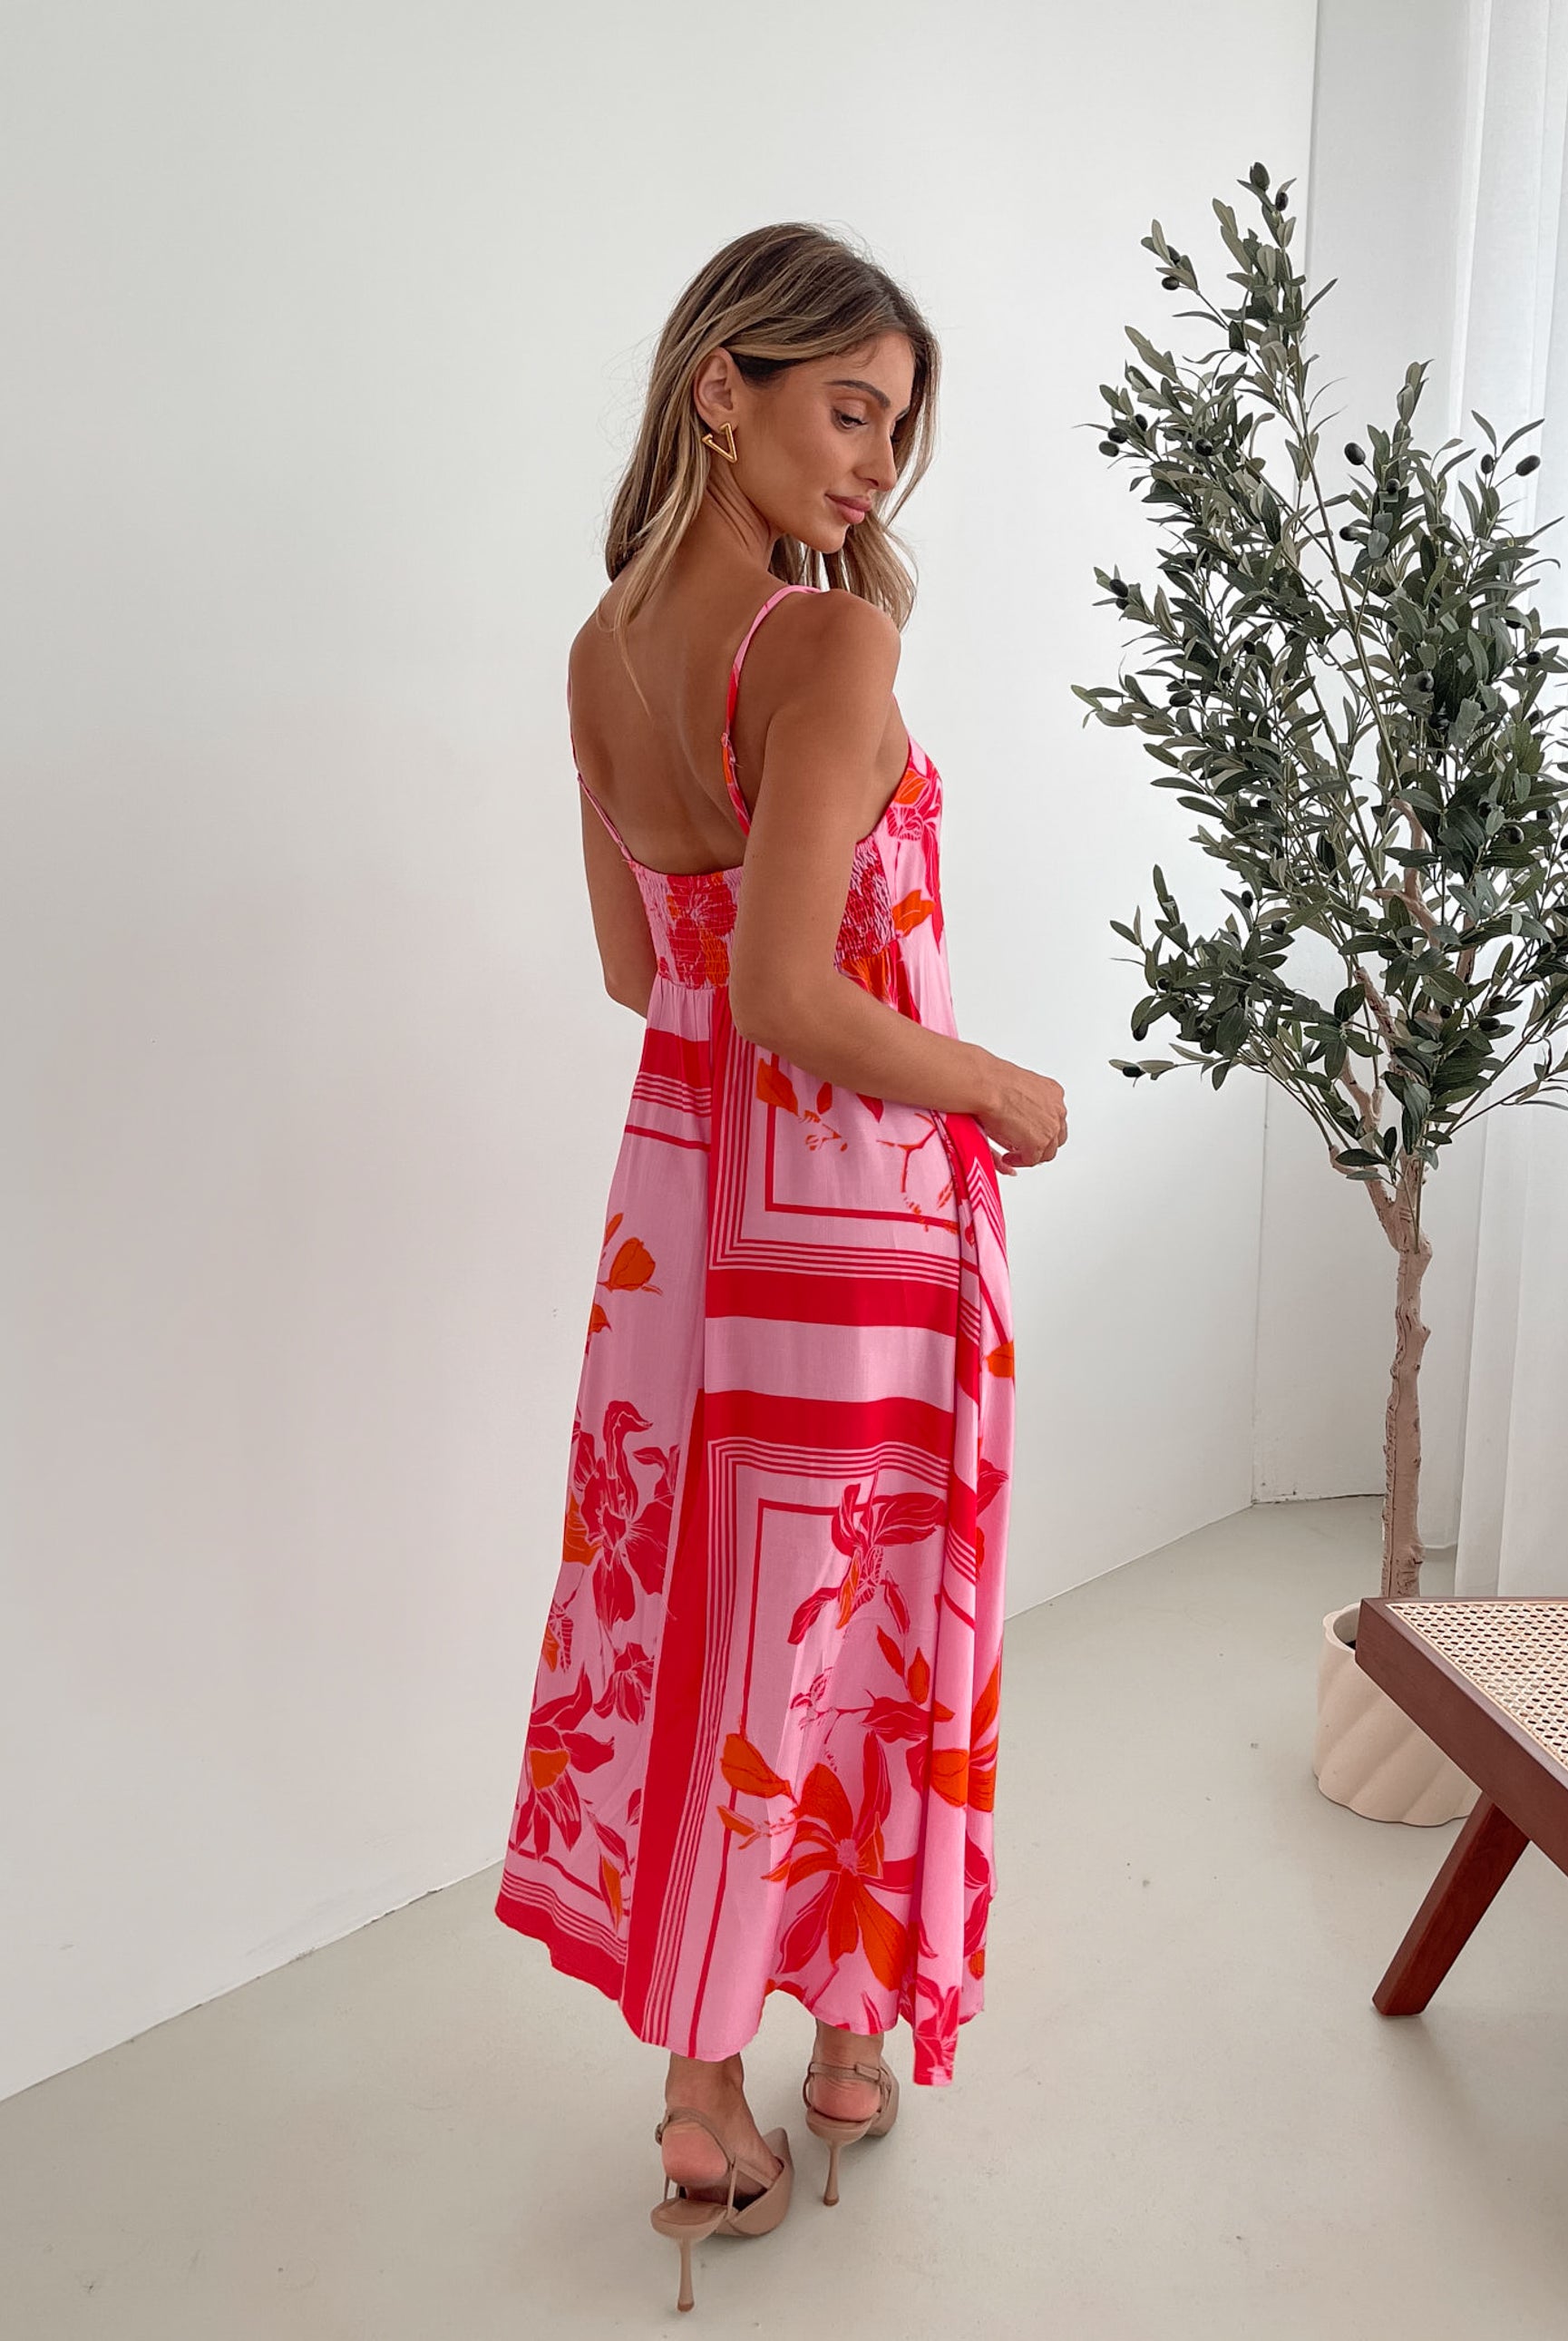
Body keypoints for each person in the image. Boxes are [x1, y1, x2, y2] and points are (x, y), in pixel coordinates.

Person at [493, 220, 1066, 2313]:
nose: (875, 464)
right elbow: (794, 998)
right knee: (857, 1628)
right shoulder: (821, 647)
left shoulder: (599, 653)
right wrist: (999, 1084)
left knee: (721, 1635)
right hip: (847, 1222)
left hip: (678, 1231)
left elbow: (639, 970)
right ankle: (837, 2041)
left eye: (898, 431)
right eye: (848, 410)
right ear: (718, 387)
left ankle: (703, 2087)